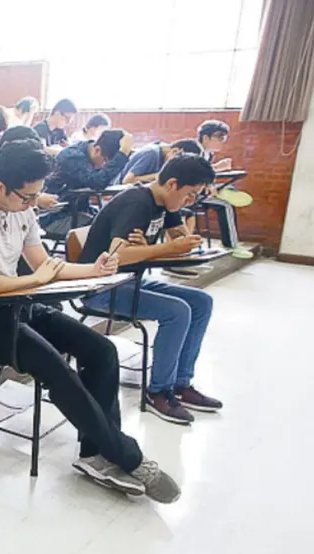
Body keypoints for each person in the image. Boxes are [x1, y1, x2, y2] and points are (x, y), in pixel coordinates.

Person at [0, 139, 180, 504]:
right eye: (27, 197)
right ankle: (127, 456)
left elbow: (42, 265)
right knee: (56, 368)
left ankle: (94, 454)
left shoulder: (21, 208)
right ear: (0, 186)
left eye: (37, 196)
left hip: (20, 302)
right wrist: (35, 282)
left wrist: (93, 268)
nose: (32, 204)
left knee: (100, 349)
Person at [81, 154, 222, 424]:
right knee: (177, 311)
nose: (190, 202)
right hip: (99, 286)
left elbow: (181, 239)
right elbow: (117, 257)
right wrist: (160, 249)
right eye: (190, 195)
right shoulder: (137, 202)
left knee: (201, 301)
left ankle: (181, 383)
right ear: (172, 184)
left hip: (128, 281)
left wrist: (155, 247)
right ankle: (158, 391)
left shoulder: (165, 204)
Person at [40, 129, 132, 234]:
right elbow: (98, 182)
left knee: (121, 220)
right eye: (106, 163)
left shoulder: (90, 152)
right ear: (97, 150)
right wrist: (123, 152)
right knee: (108, 227)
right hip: (57, 217)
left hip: (81, 212)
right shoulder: (72, 156)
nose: (104, 168)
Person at [195, 119, 250, 257]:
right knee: (225, 206)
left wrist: (213, 174)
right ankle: (231, 245)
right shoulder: (194, 149)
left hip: (201, 190)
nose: (222, 141)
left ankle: (224, 191)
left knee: (227, 188)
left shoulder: (209, 154)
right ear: (205, 137)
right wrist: (213, 176)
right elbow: (192, 173)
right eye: (219, 137)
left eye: (223, 138)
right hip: (191, 195)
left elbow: (205, 173)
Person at [120, 138, 203, 185]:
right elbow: (127, 181)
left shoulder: (163, 154)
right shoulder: (151, 153)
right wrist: (160, 175)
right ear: (175, 151)